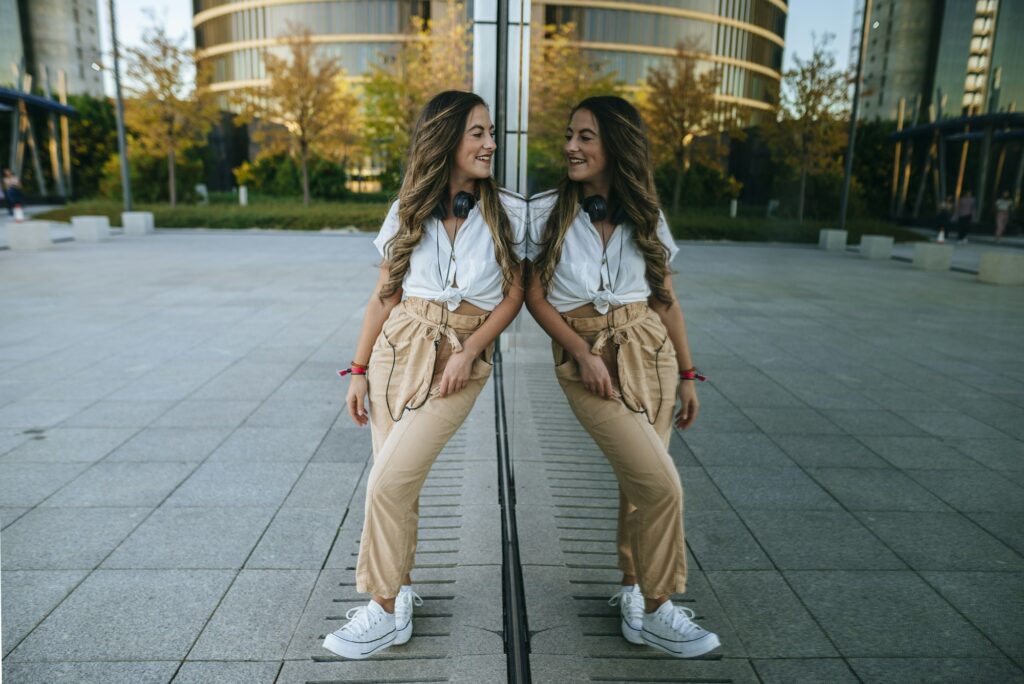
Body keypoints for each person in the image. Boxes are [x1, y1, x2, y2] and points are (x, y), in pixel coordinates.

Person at [322, 91, 527, 660]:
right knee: (397, 482)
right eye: (478, 133)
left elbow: (514, 296)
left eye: (492, 133)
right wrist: (359, 369)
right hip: (398, 347)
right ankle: (397, 597)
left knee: (387, 482)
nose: (490, 144)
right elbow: (383, 295)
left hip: (460, 352)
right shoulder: (407, 209)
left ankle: (382, 609)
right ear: (445, 140)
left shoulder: (509, 211)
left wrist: (470, 352)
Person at [524, 95, 720, 658]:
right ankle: (662, 608)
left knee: (642, 482)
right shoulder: (547, 212)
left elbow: (666, 299)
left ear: (615, 145)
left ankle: (636, 595)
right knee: (661, 485)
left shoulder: (647, 216)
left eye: (585, 137)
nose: (571, 147)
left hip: (649, 350)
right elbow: (535, 295)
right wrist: (580, 353)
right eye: (569, 136)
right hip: (588, 354)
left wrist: (686, 373)